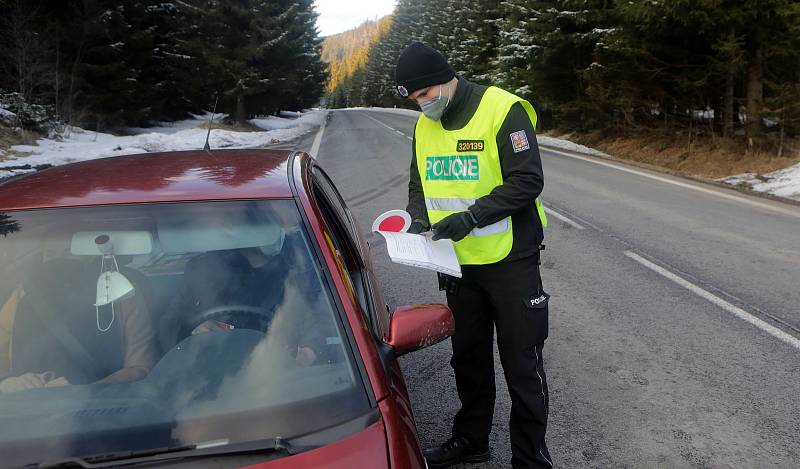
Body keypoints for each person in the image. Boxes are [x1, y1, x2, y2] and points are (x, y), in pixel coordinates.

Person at [395, 42, 552, 469]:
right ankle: (471, 440)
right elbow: (418, 184)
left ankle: (531, 460)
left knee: (522, 364)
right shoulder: (424, 126)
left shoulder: (502, 110)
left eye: (425, 95)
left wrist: (471, 217)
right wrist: (417, 218)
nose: (422, 105)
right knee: (468, 358)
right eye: (414, 99)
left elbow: (527, 181)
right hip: (458, 264)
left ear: (445, 77)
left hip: (510, 260)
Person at [0, 258, 156, 392]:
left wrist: (83, 391)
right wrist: (8, 383)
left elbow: (140, 368)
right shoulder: (21, 298)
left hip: (101, 407)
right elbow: (4, 367)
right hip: (26, 410)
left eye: (67, 251)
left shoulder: (121, 294)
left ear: (89, 256)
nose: (58, 260)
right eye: (50, 253)